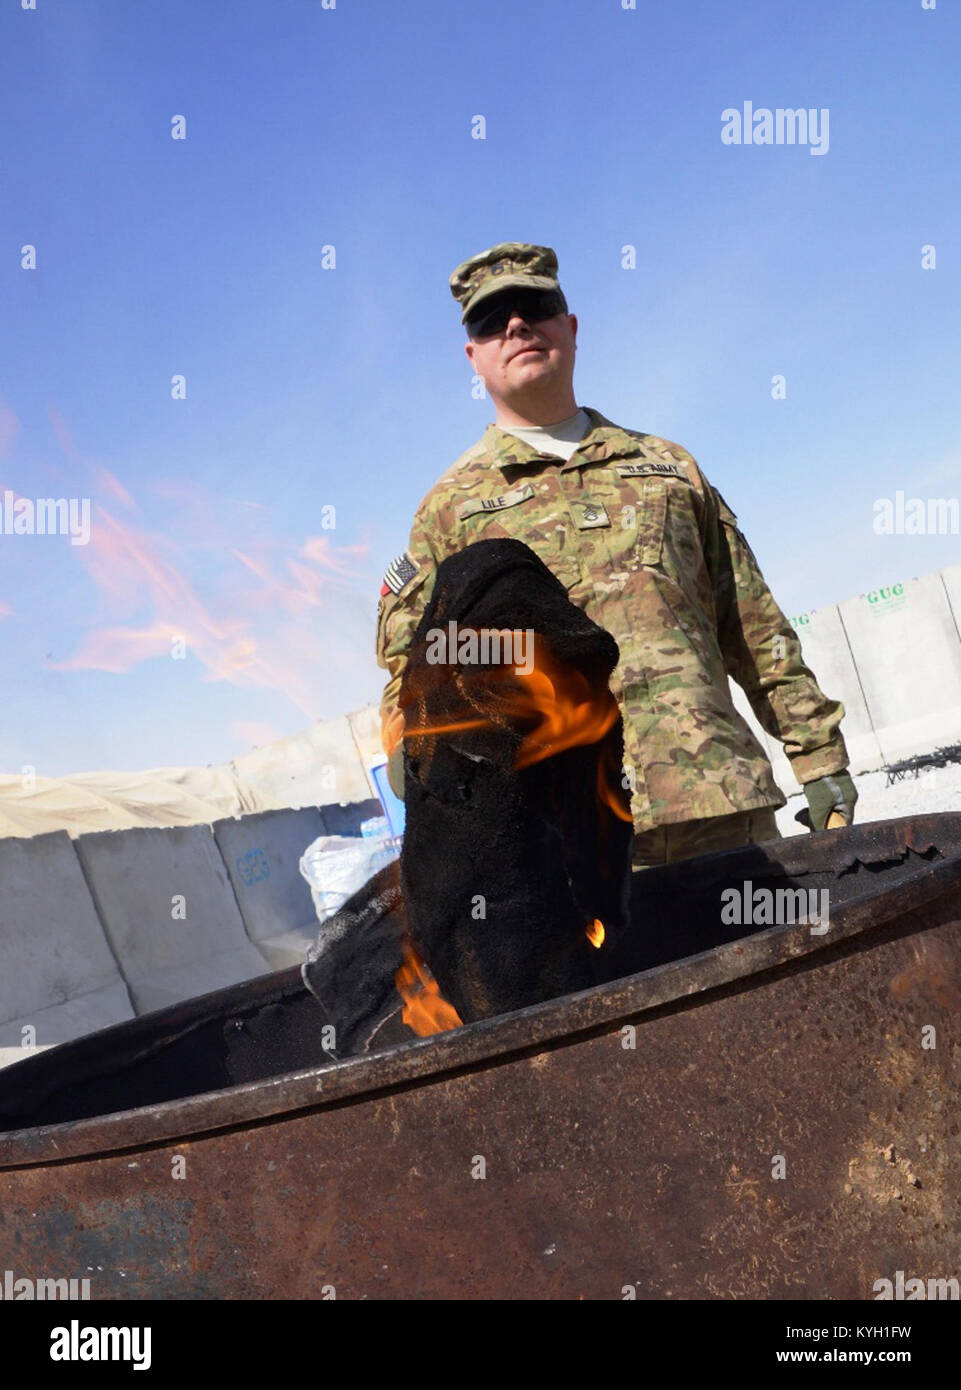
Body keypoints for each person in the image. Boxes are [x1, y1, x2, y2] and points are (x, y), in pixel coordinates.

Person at [375, 242, 857, 867]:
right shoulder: (449, 513)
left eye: (534, 306)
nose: (516, 325)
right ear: (474, 356)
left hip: (723, 810)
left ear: (570, 328)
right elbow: (415, 668)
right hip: (569, 841)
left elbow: (751, 622)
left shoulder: (668, 469)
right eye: (491, 321)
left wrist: (817, 755)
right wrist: (416, 758)